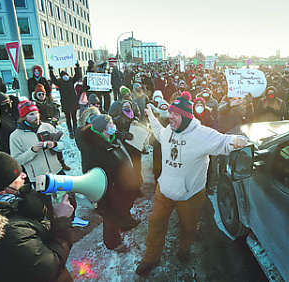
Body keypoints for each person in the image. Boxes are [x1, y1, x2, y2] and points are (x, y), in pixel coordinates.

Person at [135, 92, 248, 276]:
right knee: (155, 225)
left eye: (176, 114)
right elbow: (159, 132)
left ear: (187, 117)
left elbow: (222, 141)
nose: (171, 116)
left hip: (191, 194)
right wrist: (150, 116)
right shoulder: (170, 130)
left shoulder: (201, 134)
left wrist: (235, 141)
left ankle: (184, 248)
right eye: (170, 113)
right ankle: (150, 257)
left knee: (189, 225)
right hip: (164, 190)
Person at [0, 149, 74, 281]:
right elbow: (50, 267)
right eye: (16, 175)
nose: (23, 175)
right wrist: (62, 220)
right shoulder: (10, 234)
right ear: (1, 191)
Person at [9, 101, 87, 227]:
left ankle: (72, 219)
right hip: (38, 176)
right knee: (47, 203)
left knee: (68, 195)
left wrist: (55, 145)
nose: (36, 117)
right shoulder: (15, 136)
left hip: (57, 169)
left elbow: (63, 145)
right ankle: (55, 224)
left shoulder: (48, 127)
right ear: (23, 117)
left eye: (36, 113)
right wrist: (32, 151)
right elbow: (17, 160)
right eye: (31, 115)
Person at [75, 114, 140, 252]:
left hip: (122, 187)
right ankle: (113, 243)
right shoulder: (94, 150)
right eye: (110, 124)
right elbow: (94, 176)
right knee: (111, 218)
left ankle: (126, 222)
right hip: (110, 192)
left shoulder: (112, 139)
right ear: (102, 130)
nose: (113, 126)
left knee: (124, 207)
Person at [32, 84, 71, 171]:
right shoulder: (34, 105)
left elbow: (56, 111)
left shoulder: (49, 102)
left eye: (43, 94)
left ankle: (62, 162)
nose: (41, 96)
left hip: (52, 128)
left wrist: (55, 118)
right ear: (36, 95)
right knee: (46, 148)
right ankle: (48, 166)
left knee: (56, 145)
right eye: (39, 94)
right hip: (41, 130)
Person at [49, 62, 81, 139]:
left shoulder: (71, 81)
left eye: (66, 75)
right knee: (68, 118)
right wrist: (51, 71)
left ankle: (75, 129)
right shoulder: (60, 83)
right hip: (66, 103)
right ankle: (70, 130)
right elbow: (53, 79)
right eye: (63, 76)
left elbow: (77, 76)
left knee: (74, 117)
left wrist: (77, 68)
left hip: (73, 102)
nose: (65, 77)